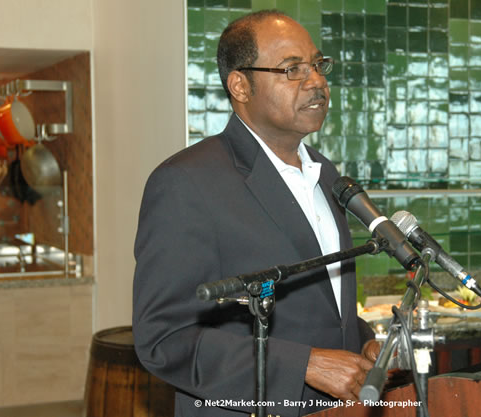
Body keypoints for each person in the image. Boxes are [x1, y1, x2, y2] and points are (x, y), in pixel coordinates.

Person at [132, 10, 380, 417]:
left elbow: (319, 306)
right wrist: (306, 365)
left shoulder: (326, 174)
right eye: (291, 69)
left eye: (318, 65)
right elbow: (164, 338)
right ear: (240, 86)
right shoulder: (185, 181)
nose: (316, 80)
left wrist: (364, 342)